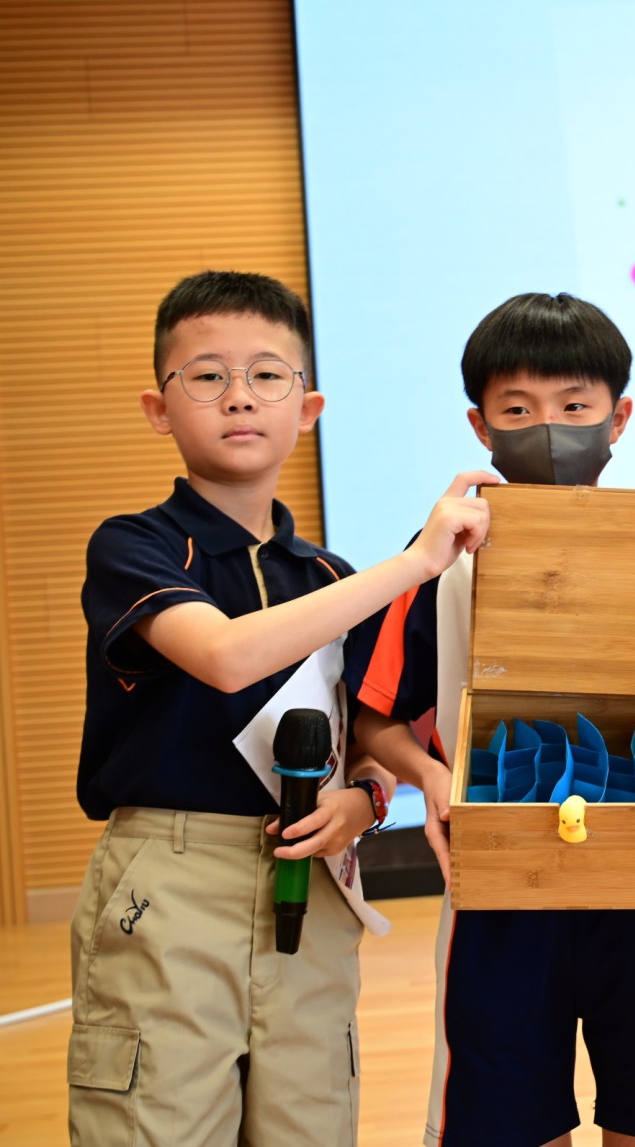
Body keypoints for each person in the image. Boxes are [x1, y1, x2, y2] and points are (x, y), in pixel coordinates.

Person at [345, 292, 635, 1147]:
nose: (548, 429)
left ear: (619, 417)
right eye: (518, 410)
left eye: (575, 407)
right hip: (496, 883)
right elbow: (375, 716)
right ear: (480, 426)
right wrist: (432, 778)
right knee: (508, 1122)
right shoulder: (441, 555)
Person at [73, 269, 492, 1145]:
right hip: (173, 880)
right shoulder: (135, 546)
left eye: (267, 375)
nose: (239, 396)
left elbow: (366, 739)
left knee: (312, 1122)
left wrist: (366, 799)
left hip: (313, 880)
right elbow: (225, 657)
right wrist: (416, 564)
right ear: (158, 408)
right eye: (207, 376)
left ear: (308, 409)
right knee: (160, 1122)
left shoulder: (331, 578)